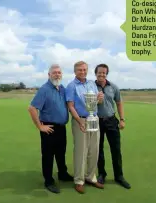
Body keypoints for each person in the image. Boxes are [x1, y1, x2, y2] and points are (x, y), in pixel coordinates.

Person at [28, 64, 73, 194]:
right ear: (49, 75)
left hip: (61, 128)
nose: (57, 74)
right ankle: (48, 180)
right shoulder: (44, 89)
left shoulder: (63, 89)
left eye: (59, 72)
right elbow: (32, 108)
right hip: (49, 128)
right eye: (54, 73)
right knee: (48, 156)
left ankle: (62, 174)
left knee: (61, 153)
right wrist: (40, 126)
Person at [65, 61, 104, 194]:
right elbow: (70, 106)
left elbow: (96, 102)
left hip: (94, 119)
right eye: (80, 70)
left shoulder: (92, 84)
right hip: (80, 120)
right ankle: (79, 180)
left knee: (94, 150)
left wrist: (100, 98)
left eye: (84, 69)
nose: (82, 72)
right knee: (81, 151)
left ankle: (90, 177)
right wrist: (79, 121)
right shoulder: (71, 86)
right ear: (75, 71)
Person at [94, 63, 131, 189]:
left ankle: (119, 176)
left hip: (111, 120)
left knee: (116, 149)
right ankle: (101, 174)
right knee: (99, 150)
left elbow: (119, 103)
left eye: (104, 72)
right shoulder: (91, 86)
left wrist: (122, 119)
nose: (102, 74)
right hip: (96, 121)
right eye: (99, 72)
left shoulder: (113, 87)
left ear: (106, 74)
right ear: (96, 73)